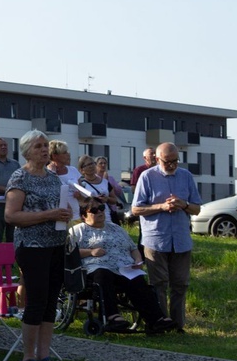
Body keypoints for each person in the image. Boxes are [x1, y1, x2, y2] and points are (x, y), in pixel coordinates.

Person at [5, 130, 70, 361]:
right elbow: (11, 216)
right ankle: (28, 357)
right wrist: (49, 215)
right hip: (32, 248)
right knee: (36, 300)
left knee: (51, 301)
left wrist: (64, 214)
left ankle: (44, 355)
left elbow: (56, 208)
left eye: (45, 145)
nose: (44, 149)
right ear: (26, 151)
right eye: (38, 146)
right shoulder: (20, 177)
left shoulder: (54, 178)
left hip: (55, 245)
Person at [69, 198, 177, 333]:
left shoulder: (116, 228)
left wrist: (138, 261)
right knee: (103, 274)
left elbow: (133, 248)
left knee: (137, 280)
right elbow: (69, 252)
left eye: (101, 208)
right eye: (94, 210)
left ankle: (156, 319)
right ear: (84, 216)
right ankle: (112, 317)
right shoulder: (78, 230)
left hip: (123, 267)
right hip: (96, 268)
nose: (100, 212)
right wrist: (90, 251)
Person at [131, 142, 201, 333]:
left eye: (175, 161)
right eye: (167, 161)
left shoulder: (186, 176)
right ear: (157, 159)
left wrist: (183, 204)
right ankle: (160, 323)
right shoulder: (147, 177)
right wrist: (161, 207)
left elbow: (197, 208)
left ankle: (178, 325)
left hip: (180, 239)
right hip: (156, 238)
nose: (172, 165)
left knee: (180, 284)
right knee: (158, 284)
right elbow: (136, 209)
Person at [77, 154, 119, 223]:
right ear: (82, 170)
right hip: (90, 220)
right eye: (87, 165)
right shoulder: (81, 185)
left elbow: (114, 200)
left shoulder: (105, 182)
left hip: (107, 218)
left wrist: (107, 199)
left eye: (92, 163)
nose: (91, 166)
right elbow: (80, 203)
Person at [95, 156, 126, 224]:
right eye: (101, 163)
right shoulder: (94, 179)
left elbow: (119, 191)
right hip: (100, 210)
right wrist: (105, 180)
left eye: (105, 163)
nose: (103, 165)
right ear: (96, 165)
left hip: (112, 210)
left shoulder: (111, 178)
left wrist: (111, 185)